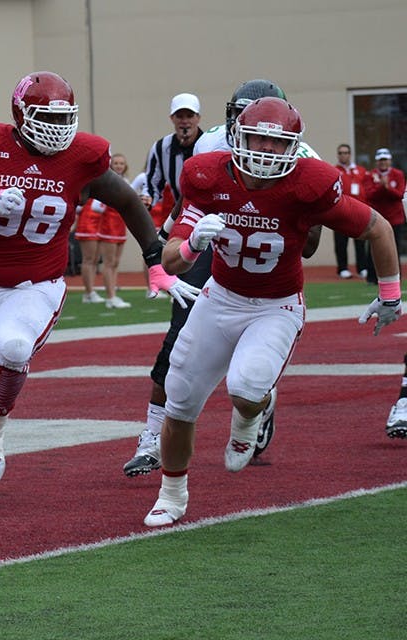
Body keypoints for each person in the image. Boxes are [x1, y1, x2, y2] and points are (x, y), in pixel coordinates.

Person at [0, 70, 197, 501]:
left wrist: (153, 260)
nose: (57, 129)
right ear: (21, 114)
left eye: (63, 119)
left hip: (36, 284)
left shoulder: (82, 157)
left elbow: (128, 200)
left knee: (14, 348)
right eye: (46, 118)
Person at [143, 97, 402, 527]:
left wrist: (390, 293)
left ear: (294, 148)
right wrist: (192, 244)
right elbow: (171, 261)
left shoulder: (309, 183)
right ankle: (172, 494)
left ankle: (249, 418)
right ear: (238, 138)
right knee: (180, 400)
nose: (265, 149)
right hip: (220, 296)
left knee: (245, 389)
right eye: (258, 138)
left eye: (277, 142)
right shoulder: (207, 175)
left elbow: (378, 226)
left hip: (276, 306)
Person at [123, 78, 322, 477]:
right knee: (179, 330)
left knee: (247, 360)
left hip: (266, 251)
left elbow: (311, 245)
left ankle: (256, 396)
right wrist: (171, 237)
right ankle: (152, 435)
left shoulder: (303, 157)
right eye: (241, 119)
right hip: (213, 235)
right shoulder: (211, 144)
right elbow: (191, 198)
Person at [75, 153, 134, 309]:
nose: (119, 166)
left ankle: (108, 294)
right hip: (101, 224)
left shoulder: (125, 181)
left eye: (122, 163)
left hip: (119, 225)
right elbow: (93, 205)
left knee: (112, 262)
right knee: (93, 260)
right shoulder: (101, 181)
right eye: (116, 163)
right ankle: (96, 294)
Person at [363, 148, 406, 284]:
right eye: (380, 160)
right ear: (377, 161)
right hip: (377, 218)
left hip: (395, 218)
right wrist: (382, 187)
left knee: (395, 248)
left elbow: (399, 195)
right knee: (373, 248)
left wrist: (386, 188)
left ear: (390, 161)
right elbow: (369, 195)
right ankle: (372, 277)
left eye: (385, 160)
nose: (383, 163)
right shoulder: (370, 175)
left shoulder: (398, 174)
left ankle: (395, 277)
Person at [333, 144, 369, 278]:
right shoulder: (334, 170)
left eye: (346, 152)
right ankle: (342, 268)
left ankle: (362, 268)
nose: (343, 155)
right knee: (341, 241)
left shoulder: (360, 170)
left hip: (359, 211)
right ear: (338, 155)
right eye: (341, 153)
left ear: (350, 154)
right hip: (340, 211)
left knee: (360, 240)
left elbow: (367, 188)